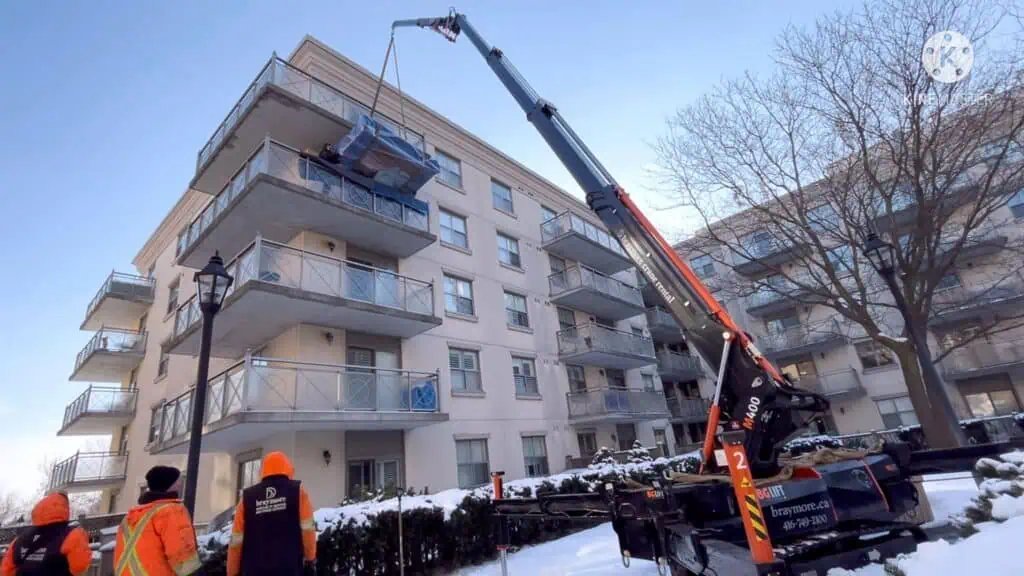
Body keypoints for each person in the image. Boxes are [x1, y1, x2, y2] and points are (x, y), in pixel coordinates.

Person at [227, 452, 316, 576]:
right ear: (288, 468)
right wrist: (310, 559)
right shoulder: (298, 491)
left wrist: (232, 571)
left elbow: (236, 539)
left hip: (254, 570)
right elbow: (308, 530)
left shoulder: (247, 497)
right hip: (289, 568)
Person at [114, 466, 201, 576]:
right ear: (169, 485)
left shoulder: (130, 517)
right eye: (178, 481)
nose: (180, 485)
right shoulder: (171, 511)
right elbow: (183, 560)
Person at [0, 492, 91, 576]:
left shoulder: (20, 539)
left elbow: (6, 571)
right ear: (65, 509)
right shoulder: (72, 535)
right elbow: (79, 568)